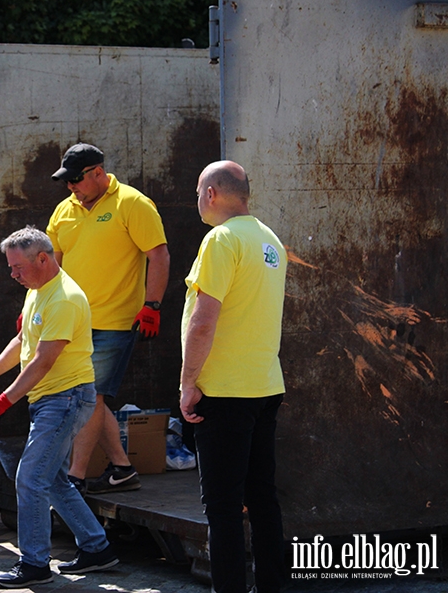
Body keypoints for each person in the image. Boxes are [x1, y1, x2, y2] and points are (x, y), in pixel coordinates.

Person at [0, 226, 118, 589]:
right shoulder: (38, 291)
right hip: (53, 399)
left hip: (65, 398)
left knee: (30, 478)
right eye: (10, 267)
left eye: (17, 267)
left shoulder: (64, 298)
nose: (13, 274)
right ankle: (97, 548)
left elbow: (43, 360)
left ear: (42, 258)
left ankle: (34, 563)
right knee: (51, 480)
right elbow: (23, 340)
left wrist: (3, 400)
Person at [180, 161, 287, 593]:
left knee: (222, 509)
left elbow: (203, 321)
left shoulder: (221, 240)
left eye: (197, 192)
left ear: (211, 194)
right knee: (262, 499)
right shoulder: (270, 240)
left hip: (223, 391)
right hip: (264, 386)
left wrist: (188, 383)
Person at [47, 143, 170, 494]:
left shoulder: (132, 203)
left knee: (90, 397)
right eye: (66, 181)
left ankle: (76, 477)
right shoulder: (63, 211)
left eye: (76, 180)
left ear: (98, 173)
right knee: (90, 398)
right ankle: (122, 468)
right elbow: (50, 268)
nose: (70, 187)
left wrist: (153, 305)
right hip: (72, 322)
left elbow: (158, 256)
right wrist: (35, 308)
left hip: (115, 322)